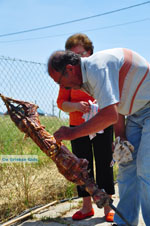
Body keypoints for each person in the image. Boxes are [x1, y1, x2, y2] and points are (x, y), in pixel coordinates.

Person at [47, 48, 150, 226]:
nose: (63, 88)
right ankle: (126, 223)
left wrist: (72, 132)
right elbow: (116, 106)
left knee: (146, 169)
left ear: (70, 69)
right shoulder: (88, 77)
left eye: (60, 82)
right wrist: (120, 137)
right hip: (135, 114)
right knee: (127, 169)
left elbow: (109, 114)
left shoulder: (97, 69)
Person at [56, 33, 115, 222]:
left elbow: (113, 96)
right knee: (81, 167)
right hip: (77, 127)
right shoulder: (67, 76)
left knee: (104, 162)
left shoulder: (100, 71)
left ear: (90, 52)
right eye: (72, 56)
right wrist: (76, 106)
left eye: (81, 54)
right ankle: (87, 206)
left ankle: (108, 208)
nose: (77, 59)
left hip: (102, 122)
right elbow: (62, 103)